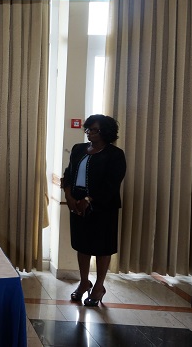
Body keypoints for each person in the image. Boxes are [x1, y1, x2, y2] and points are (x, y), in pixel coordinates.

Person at [61, 114, 126, 307]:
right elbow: (68, 174)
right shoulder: (78, 149)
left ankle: (98, 286)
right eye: (88, 129)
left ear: (105, 132)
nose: (89, 133)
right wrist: (69, 196)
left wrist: (89, 200)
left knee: (102, 247)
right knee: (82, 245)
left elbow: (111, 183)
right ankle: (84, 282)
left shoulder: (115, 154)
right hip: (77, 202)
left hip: (103, 206)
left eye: (94, 130)